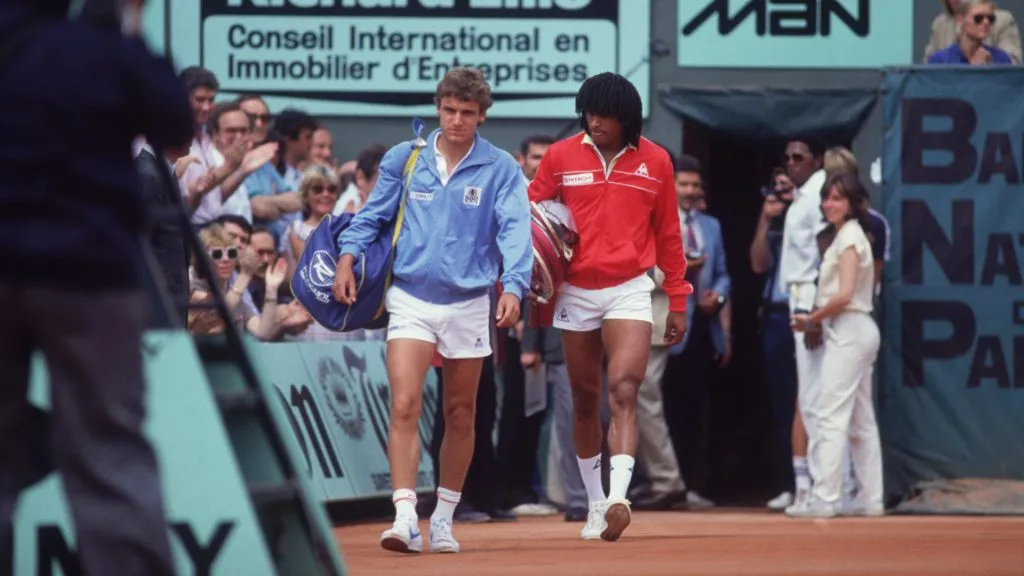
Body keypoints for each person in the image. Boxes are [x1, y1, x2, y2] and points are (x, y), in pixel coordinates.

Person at [0, 0, 193, 573]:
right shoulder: (103, 47)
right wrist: (128, 26)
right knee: (108, 449)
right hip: (88, 274)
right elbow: (175, 123)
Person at [333, 67, 532, 554]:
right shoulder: (406, 157)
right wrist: (347, 256)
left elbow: (514, 231)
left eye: (467, 113)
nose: (458, 120)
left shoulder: (502, 167)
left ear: (482, 115)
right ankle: (405, 517)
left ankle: (443, 517)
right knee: (404, 403)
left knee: (461, 414)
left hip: (469, 301)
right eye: (449, 110)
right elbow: (372, 216)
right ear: (438, 108)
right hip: (410, 298)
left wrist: (515, 286)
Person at [527, 72, 690, 542]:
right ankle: (595, 503)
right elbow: (530, 217)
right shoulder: (559, 156)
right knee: (583, 401)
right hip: (574, 291)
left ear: (626, 117)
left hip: (629, 288)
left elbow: (669, 235)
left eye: (603, 114)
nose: (594, 121)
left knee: (624, 388)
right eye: (588, 112)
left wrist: (677, 299)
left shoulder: (656, 161)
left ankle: (619, 497)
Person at [789, 173, 884, 519]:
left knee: (830, 414)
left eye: (838, 199)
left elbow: (844, 295)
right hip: (857, 329)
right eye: (827, 198)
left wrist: (811, 318)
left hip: (849, 329)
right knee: (861, 419)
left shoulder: (848, 238)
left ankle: (825, 498)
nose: (830, 204)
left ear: (853, 203)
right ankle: (871, 499)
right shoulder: (851, 235)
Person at [777, 136, 828, 514]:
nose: (792, 163)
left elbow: (825, 255)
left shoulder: (819, 194)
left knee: (813, 394)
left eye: (799, 157)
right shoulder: (801, 195)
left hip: (809, 296)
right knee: (808, 392)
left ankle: (816, 486)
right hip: (797, 296)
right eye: (788, 158)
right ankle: (808, 484)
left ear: (817, 160)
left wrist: (813, 312)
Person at [924, 0, 1020, 64]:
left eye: (991, 18)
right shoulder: (940, 60)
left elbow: (1011, 80)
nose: (986, 22)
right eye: (978, 18)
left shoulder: (1001, 58)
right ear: (960, 20)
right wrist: (973, 71)